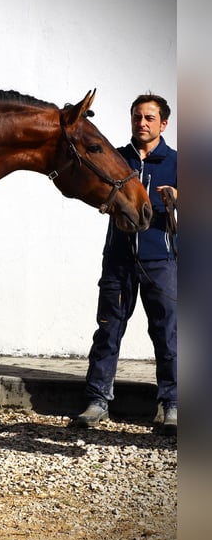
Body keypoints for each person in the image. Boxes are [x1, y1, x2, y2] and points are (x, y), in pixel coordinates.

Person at [75, 93, 177, 435]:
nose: (142, 123)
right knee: (108, 330)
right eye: (137, 117)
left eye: (149, 118)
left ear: (163, 123)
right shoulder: (116, 158)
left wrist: (177, 199)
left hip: (161, 261)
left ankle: (172, 404)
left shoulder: (178, 162)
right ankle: (97, 400)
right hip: (118, 260)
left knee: (167, 334)